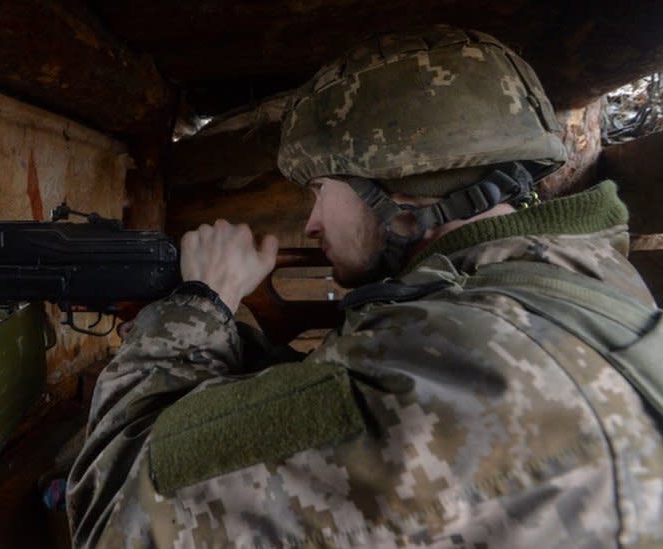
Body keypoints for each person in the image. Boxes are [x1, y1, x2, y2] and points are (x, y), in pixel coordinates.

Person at [67, 26, 663, 547]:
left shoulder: (443, 375)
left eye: (319, 188)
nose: (311, 223)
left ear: (401, 181)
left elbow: (115, 515)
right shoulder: (574, 278)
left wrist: (198, 308)